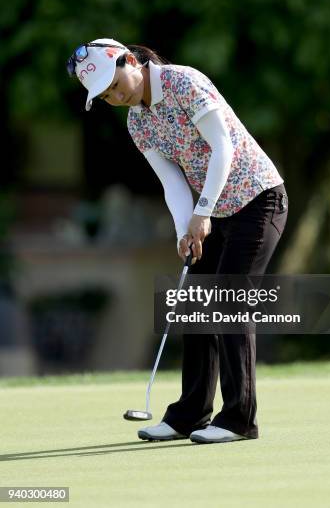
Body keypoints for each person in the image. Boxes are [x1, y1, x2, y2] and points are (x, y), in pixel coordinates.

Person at [66, 38, 288, 444]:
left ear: (130, 60)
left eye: (116, 84)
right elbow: (172, 181)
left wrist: (201, 213)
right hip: (213, 210)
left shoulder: (184, 83)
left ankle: (240, 419)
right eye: (106, 96)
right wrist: (183, 230)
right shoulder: (137, 121)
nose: (116, 96)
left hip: (258, 198)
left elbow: (223, 147)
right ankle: (189, 415)